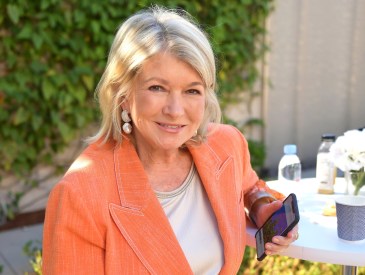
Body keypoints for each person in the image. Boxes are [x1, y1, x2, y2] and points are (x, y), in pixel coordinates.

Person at [42, 6, 298, 274]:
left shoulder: (227, 145)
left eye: (191, 90)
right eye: (157, 88)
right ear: (123, 94)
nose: (175, 110)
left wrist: (262, 206)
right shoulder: (80, 194)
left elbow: (249, 188)